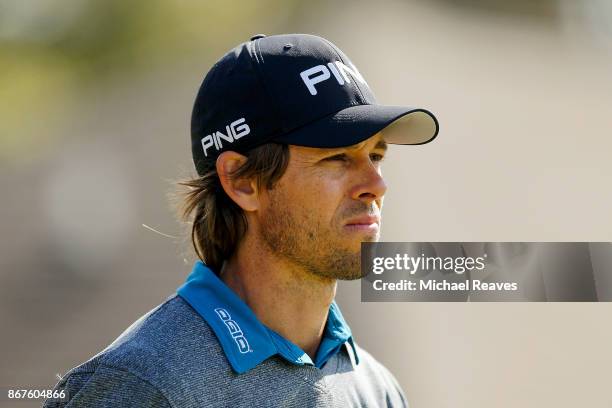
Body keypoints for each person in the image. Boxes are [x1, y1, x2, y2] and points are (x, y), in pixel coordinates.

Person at [44, 33, 439, 407]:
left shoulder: (376, 388)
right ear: (242, 181)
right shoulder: (141, 384)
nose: (376, 184)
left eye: (376, 156)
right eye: (336, 157)